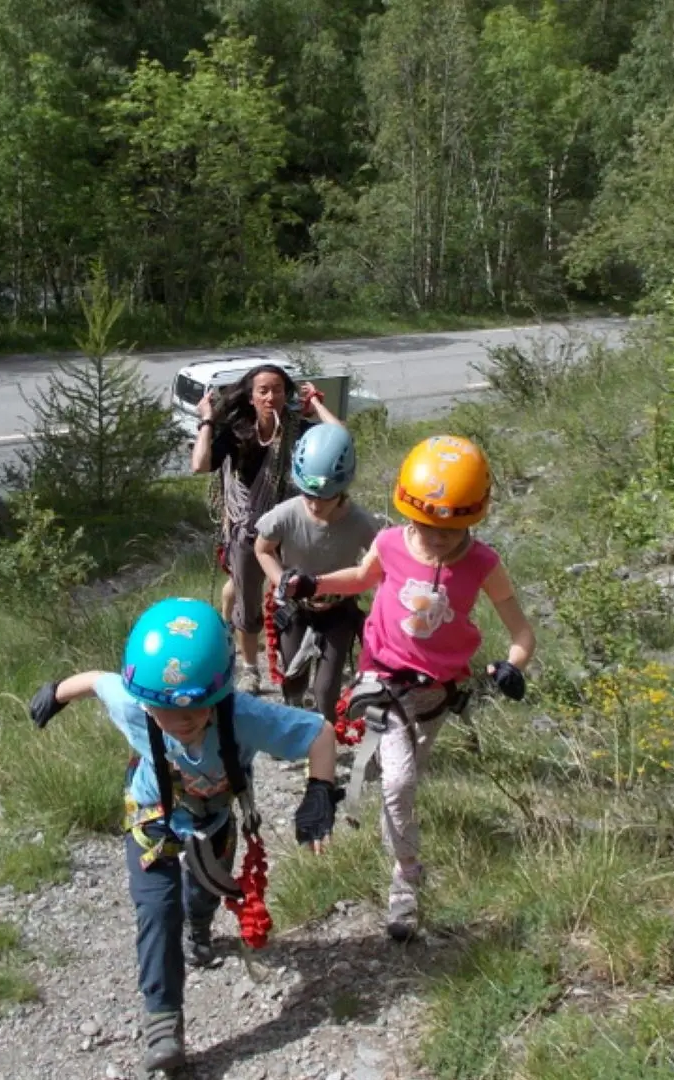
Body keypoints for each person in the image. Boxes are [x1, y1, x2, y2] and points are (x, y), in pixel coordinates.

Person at [27, 597, 341, 1076]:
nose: (182, 722)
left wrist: (320, 791)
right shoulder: (134, 704)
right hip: (151, 817)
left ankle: (200, 928)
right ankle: (162, 1021)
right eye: (166, 712)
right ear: (145, 699)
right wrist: (56, 693)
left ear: (219, 692)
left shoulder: (243, 716)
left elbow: (320, 733)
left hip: (212, 819)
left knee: (203, 894)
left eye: (196, 710)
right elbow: (96, 681)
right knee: (157, 909)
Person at [311, 434, 536, 942]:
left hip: (438, 693)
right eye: (427, 526)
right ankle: (407, 880)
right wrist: (313, 582)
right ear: (408, 511)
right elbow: (360, 578)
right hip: (384, 679)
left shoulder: (483, 564)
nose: (437, 538)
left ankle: (397, 839)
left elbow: (521, 632)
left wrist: (512, 665)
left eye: (451, 530)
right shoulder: (391, 543)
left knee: (406, 783)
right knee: (398, 782)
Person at [191, 364, 341, 695]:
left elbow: (339, 439)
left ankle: (296, 658)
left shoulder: (297, 430)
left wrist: (316, 404)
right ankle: (249, 668)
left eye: (278, 390)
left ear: (287, 395)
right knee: (248, 603)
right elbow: (200, 464)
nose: (271, 396)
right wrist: (207, 420)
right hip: (247, 529)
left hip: (289, 529)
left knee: (295, 593)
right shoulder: (237, 432)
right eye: (263, 390)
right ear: (251, 397)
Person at [256, 422, 380, 723]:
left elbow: (380, 563)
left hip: (338, 610)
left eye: (325, 497)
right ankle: (295, 723)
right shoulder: (287, 514)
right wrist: (280, 581)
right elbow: (263, 548)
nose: (314, 504)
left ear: (342, 489)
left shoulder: (360, 523)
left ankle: (323, 738)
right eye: (308, 494)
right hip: (295, 608)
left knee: (326, 690)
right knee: (293, 679)